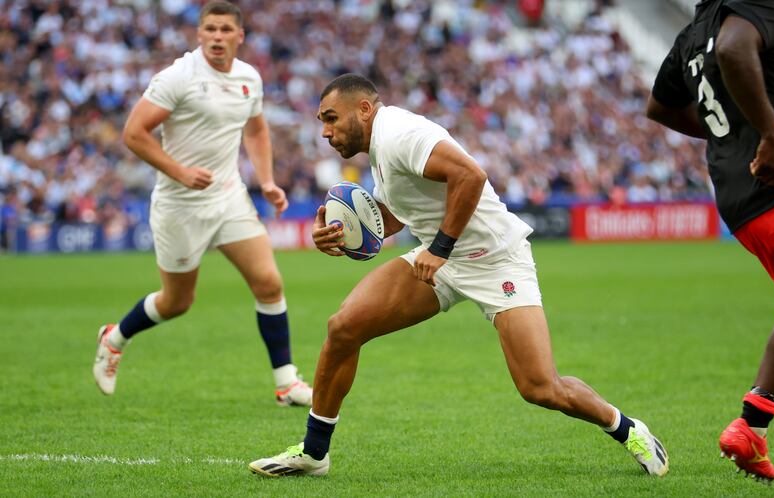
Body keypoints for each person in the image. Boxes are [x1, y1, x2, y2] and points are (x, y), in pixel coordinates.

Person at [247, 73, 669, 477]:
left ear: (363, 109)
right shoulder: (381, 147)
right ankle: (314, 452)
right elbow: (396, 216)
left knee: (540, 386)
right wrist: (341, 236)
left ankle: (626, 428)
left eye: (330, 118)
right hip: (442, 257)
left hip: (495, 258)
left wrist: (439, 248)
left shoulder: (399, 133)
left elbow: (471, 175)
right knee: (344, 327)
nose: (324, 131)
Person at [92, 1, 312, 407]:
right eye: (210, 29)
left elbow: (258, 130)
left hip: (228, 196)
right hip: (179, 205)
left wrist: (266, 181)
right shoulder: (179, 77)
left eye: (226, 30)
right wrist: (179, 172)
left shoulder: (249, 78)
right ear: (199, 34)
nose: (217, 36)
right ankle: (115, 337)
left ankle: (286, 383)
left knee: (269, 283)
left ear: (239, 36)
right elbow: (134, 133)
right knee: (177, 302)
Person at [646, 0, 774, 482]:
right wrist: (770, 135)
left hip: (745, 198)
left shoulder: (693, 33)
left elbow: (660, 106)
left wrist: (730, 135)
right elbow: (735, 49)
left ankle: (753, 425)